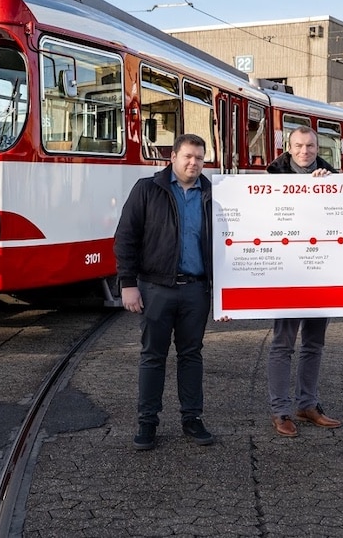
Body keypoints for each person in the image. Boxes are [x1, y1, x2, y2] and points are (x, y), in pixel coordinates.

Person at [114, 133, 217, 451]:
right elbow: (125, 237)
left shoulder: (212, 193)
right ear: (172, 157)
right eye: (187, 156)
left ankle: (192, 419)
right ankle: (147, 423)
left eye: (199, 158)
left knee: (191, 356)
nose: (193, 163)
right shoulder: (148, 189)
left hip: (196, 290)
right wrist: (127, 284)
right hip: (156, 288)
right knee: (152, 357)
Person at [264, 125, 342, 437]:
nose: (304, 151)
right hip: (287, 274)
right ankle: (281, 410)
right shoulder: (273, 178)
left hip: (321, 273)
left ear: (317, 148)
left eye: (310, 146)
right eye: (298, 146)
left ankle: (307, 404)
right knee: (283, 343)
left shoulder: (332, 178)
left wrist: (327, 189)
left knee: (314, 343)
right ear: (289, 147)